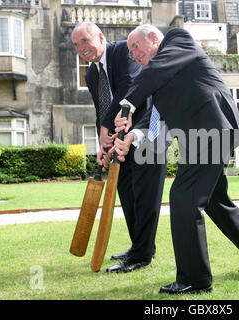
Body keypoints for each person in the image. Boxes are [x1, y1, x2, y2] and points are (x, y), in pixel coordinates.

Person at [105, 24, 239, 294]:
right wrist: (132, 138)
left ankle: (194, 279)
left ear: (153, 38)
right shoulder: (159, 76)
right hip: (202, 137)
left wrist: (126, 105)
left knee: (184, 197)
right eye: (130, 53)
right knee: (215, 201)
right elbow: (156, 124)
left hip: (213, 130)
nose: (134, 56)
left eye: (136, 47)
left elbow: (152, 73)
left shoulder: (178, 40)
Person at [71, 22, 167, 273]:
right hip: (119, 139)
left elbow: (128, 88)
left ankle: (141, 255)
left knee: (145, 196)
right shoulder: (91, 74)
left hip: (147, 132)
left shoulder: (124, 51)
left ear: (100, 37)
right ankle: (140, 246)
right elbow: (102, 110)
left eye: (85, 41)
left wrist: (106, 127)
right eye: (76, 45)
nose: (81, 48)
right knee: (127, 194)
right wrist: (102, 145)